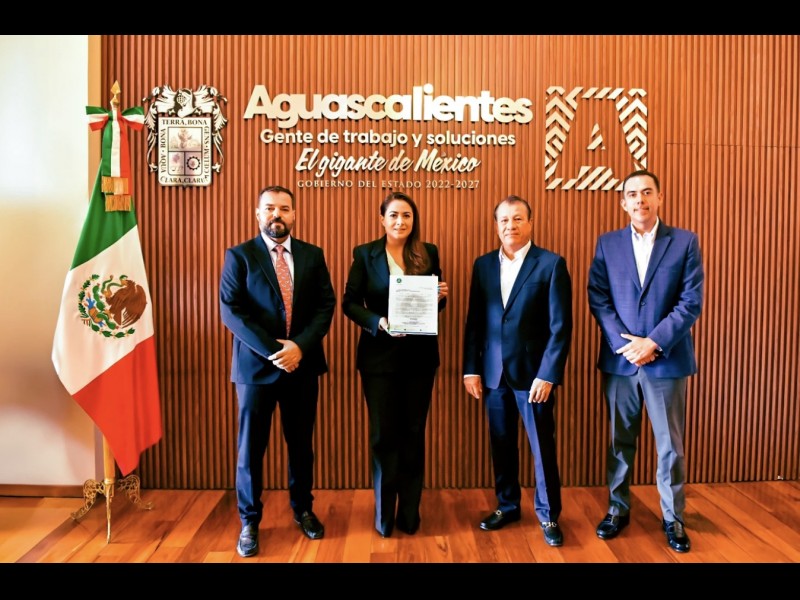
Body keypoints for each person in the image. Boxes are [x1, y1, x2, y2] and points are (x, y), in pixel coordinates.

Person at [587, 169, 704, 554]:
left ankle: (673, 518)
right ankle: (617, 508)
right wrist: (627, 346)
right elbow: (598, 296)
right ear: (623, 202)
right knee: (619, 441)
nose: (640, 199)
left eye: (647, 192)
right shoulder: (607, 244)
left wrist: (653, 342)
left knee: (670, 445)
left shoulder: (684, 242)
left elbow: (691, 301)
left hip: (665, 360)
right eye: (633, 194)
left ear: (660, 197)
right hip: (621, 361)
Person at [219, 185, 336, 558]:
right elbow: (231, 311)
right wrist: (276, 352)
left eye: (284, 208)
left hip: (302, 365)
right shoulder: (240, 256)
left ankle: (303, 509)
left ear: (294, 214)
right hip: (256, 370)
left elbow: (325, 305)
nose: (277, 215)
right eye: (269, 208)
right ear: (258, 214)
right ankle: (249, 521)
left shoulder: (313, 255)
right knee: (251, 449)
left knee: (301, 445)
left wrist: (299, 346)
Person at [463, 194, 572, 547]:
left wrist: (548, 374)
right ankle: (507, 505)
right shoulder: (482, 265)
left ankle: (548, 514)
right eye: (504, 220)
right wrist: (470, 369)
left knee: (542, 447)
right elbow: (475, 322)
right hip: (493, 374)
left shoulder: (551, 264)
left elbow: (560, 327)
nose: (510, 225)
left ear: (530, 223)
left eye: (517, 218)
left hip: (534, 376)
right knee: (501, 443)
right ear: (496, 226)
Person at [342, 191, 448, 538]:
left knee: (414, 435)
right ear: (382, 220)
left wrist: (439, 298)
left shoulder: (428, 252)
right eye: (394, 215)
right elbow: (349, 303)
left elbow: (433, 308)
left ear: (414, 220)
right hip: (379, 360)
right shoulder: (365, 253)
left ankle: (410, 514)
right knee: (383, 436)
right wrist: (378, 322)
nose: (400, 221)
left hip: (420, 359)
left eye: (407, 215)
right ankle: (384, 516)